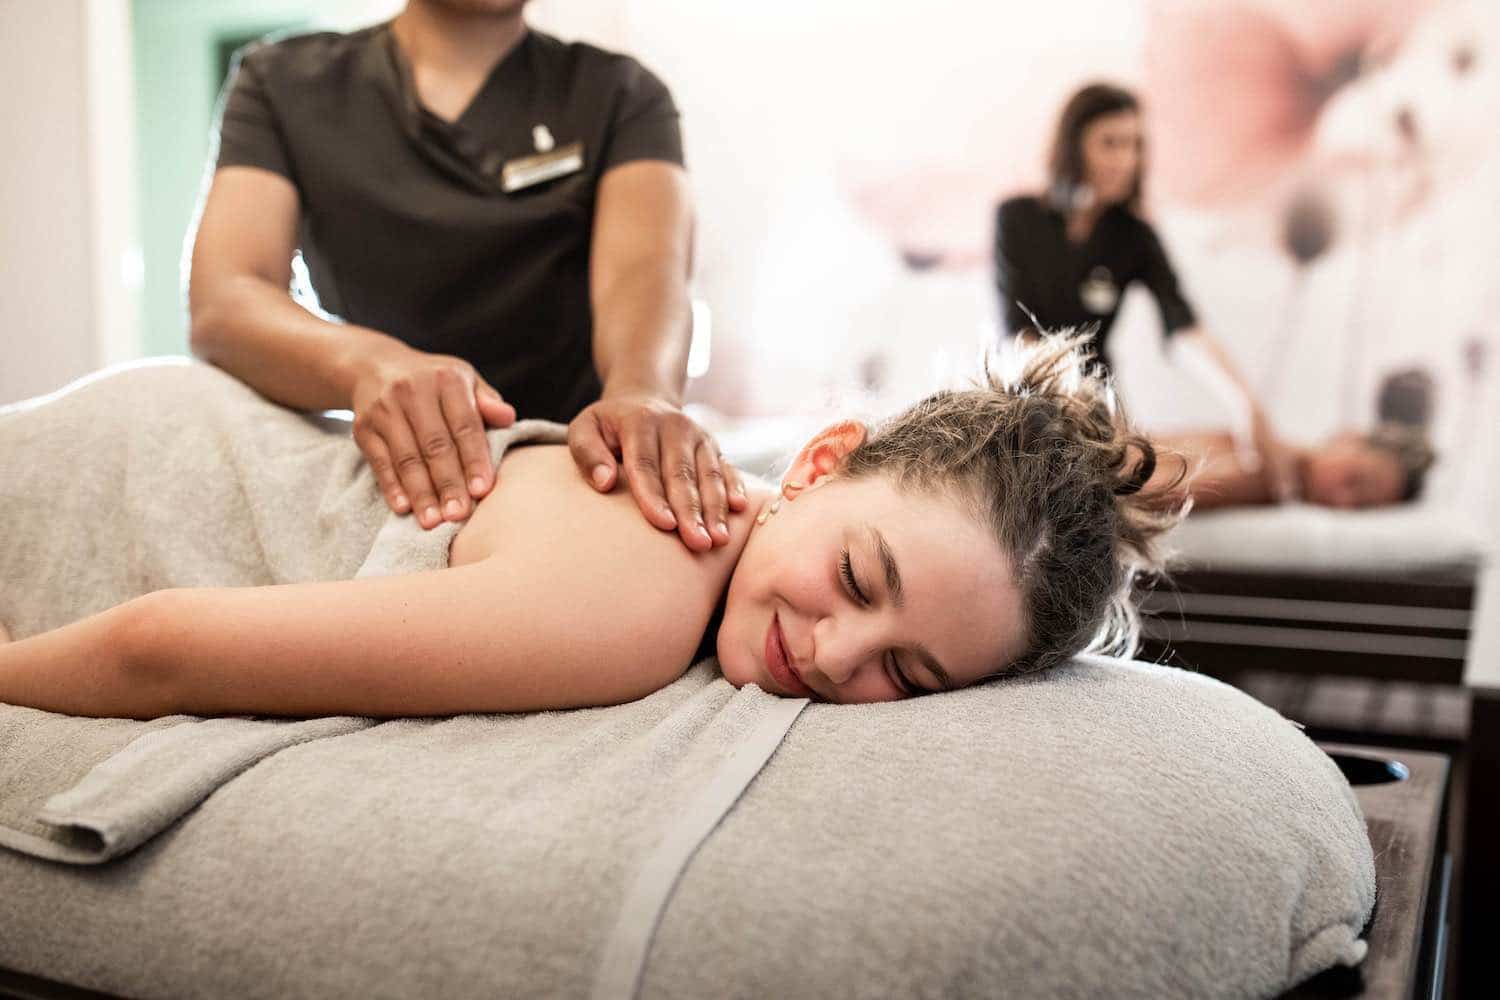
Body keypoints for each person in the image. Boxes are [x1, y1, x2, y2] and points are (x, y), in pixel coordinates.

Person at [0, 336, 1179, 719]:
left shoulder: (717, 545)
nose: (834, 654)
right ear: (820, 463)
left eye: (907, 675)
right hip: (117, 476)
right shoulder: (635, 599)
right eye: (861, 580)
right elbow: (162, 645)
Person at [188, 0, 744, 552]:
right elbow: (227, 297)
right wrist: (370, 364)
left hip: (573, 472)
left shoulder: (619, 93)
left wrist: (642, 392)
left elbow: (644, 275)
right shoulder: (284, 83)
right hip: (386, 477)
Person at [994, 82, 1299, 500]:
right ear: (1073, 146)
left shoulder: (1134, 236)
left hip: (1101, 410)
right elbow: (1018, 336)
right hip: (1033, 399)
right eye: (1110, 143)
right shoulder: (1017, 219)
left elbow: (1182, 327)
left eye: (1135, 144)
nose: (1126, 160)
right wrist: (1072, 399)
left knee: (1223, 453)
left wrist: (1244, 403)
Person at [1147, 424, 1435, 511]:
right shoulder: (1266, 470)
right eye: (1354, 480)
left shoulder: (1272, 468)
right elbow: (1144, 495)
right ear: (1349, 437)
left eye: (1361, 507)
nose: (1343, 502)